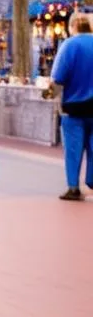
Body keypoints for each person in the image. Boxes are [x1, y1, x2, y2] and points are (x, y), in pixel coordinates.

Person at [51, 13, 93, 201]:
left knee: (73, 149)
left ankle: (74, 187)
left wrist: (50, 93)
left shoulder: (69, 45)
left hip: (73, 107)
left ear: (73, 26)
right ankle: (91, 181)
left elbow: (58, 77)